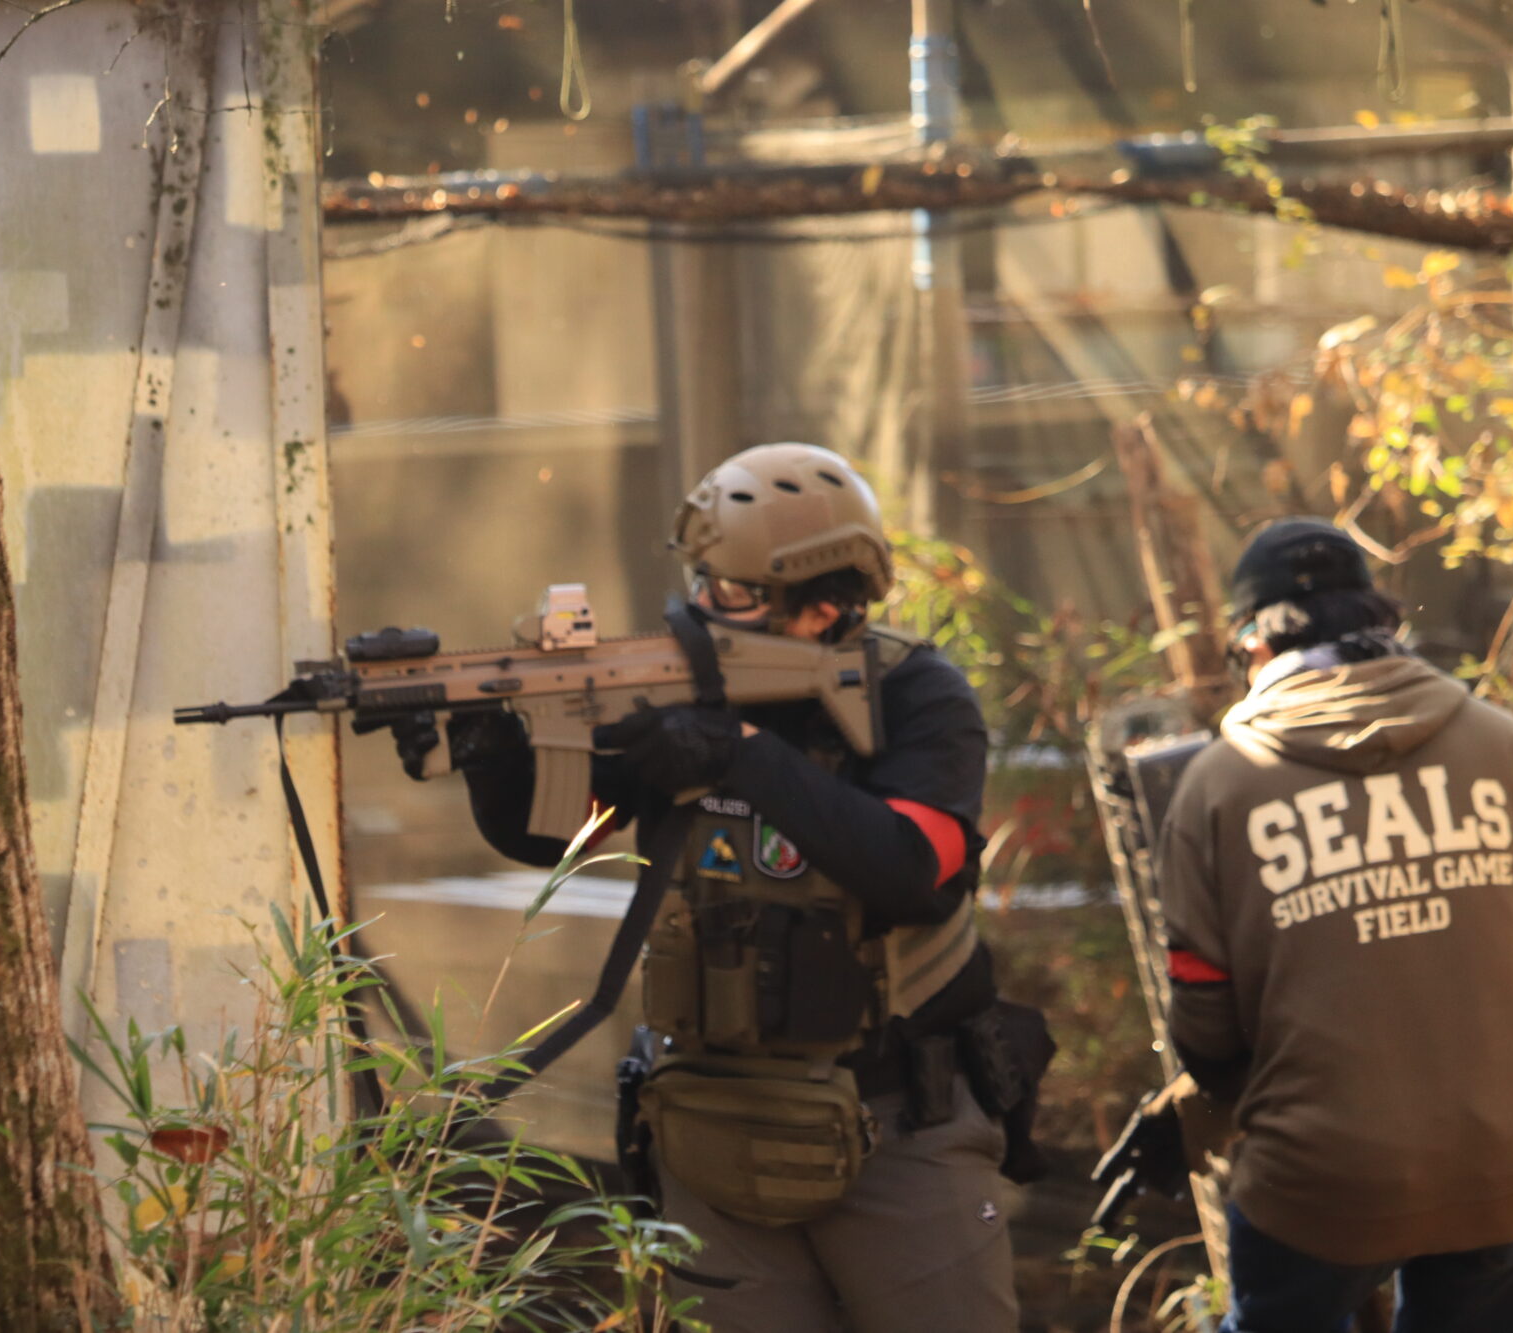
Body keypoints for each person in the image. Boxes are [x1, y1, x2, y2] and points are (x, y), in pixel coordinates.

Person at [391, 443, 1048, 1333]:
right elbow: (559, 831)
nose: (700, 607)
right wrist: (492, 750)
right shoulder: (676, 691)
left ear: (824, 606)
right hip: (710, 1117)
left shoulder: (916, 697)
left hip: (900, 1121)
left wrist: (742, 754)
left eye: (731, 592)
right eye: (700, 580)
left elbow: (911, 870)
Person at [1154, 517, 1513, 1333]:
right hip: (1506, 1163)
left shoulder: (1216, 789)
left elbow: (1207, 1033)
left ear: (1254, 645)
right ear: (1383, 620)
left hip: (1318, 1185)